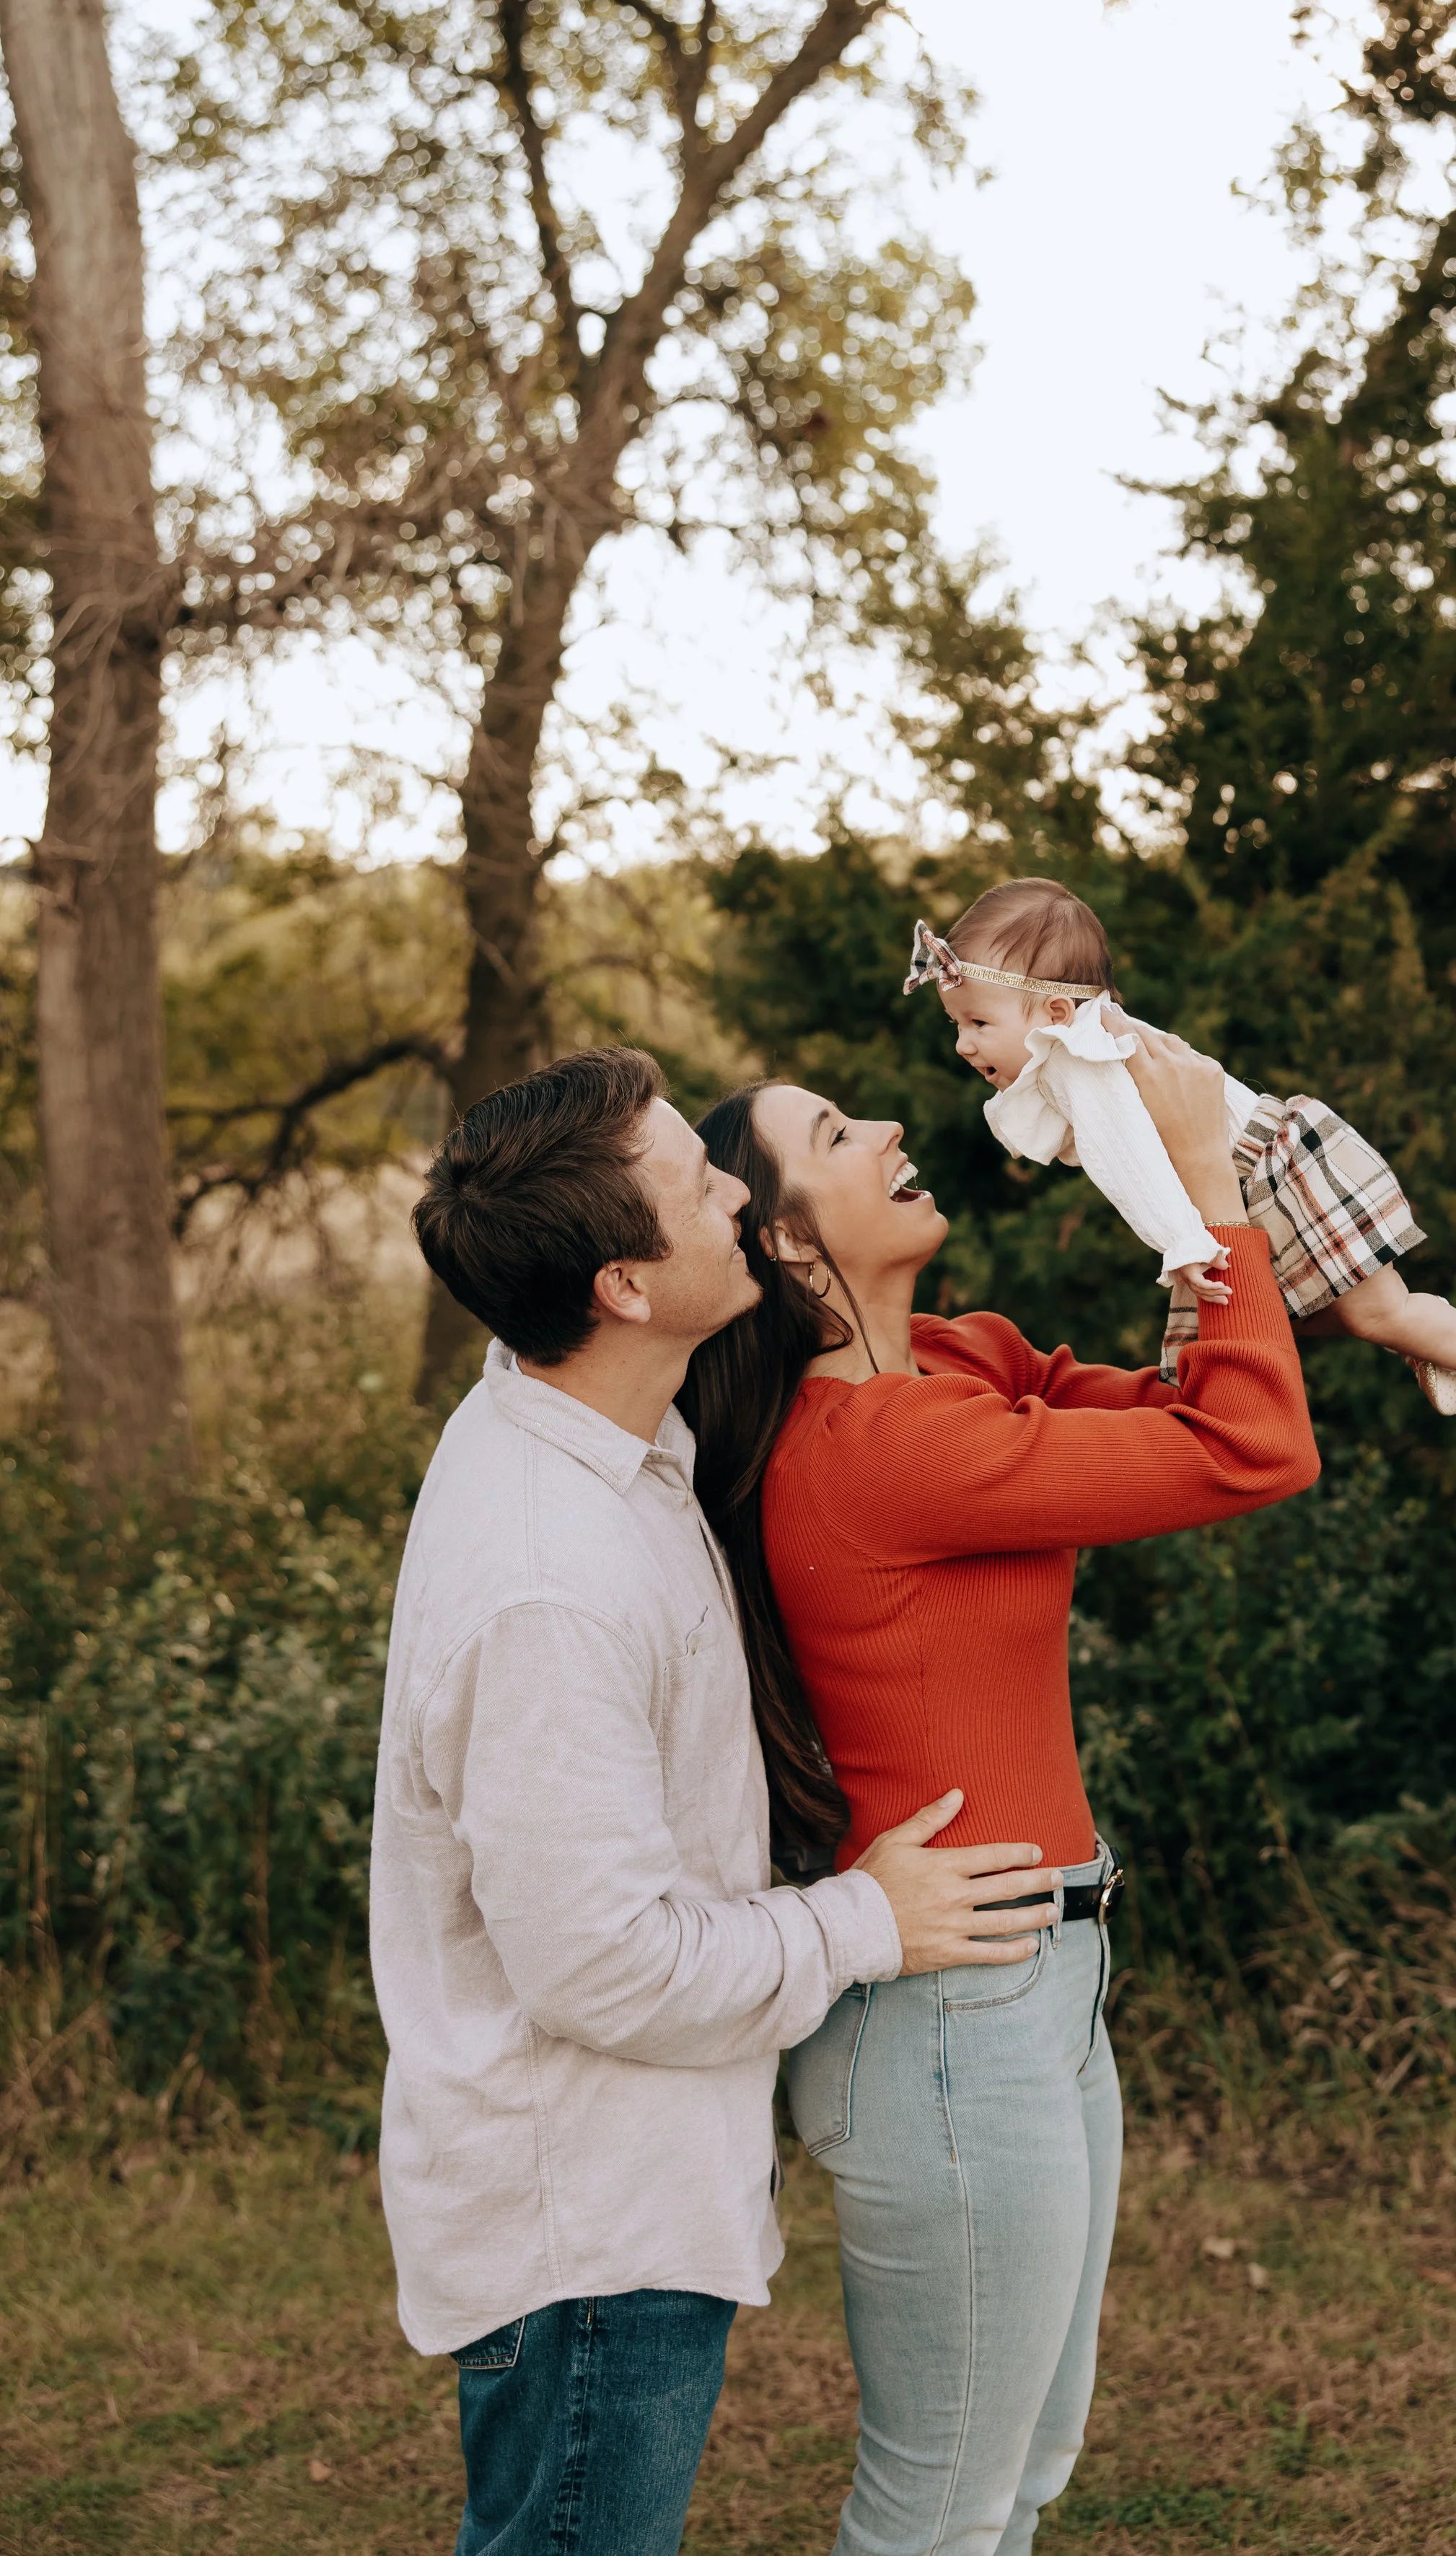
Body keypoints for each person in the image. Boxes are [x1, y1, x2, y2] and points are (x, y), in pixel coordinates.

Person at [372, 1048, 1057, 2556]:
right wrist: (866, 1920)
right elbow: (602, 1964)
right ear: (621, 1284)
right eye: (699, 1184)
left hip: (636, 2192)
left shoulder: (600, 1434)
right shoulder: (548, 1577)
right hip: (585, 2237)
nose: (740, 1195)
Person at [677, 1027, 1319, 2556]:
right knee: (937, 2512)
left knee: (1018, 2479)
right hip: (948, 2026)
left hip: (1041, 1983)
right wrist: (1207, 1190)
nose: (892, 1122)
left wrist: (1177, 1219)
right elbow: (1249, 1446)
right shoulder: (879, 1448)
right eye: (837, 1132)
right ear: (782, 1242)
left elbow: (1170, 1408)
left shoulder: (952, 1363)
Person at [905, 876, 1456, 1437]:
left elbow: (1126, 1161)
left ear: (1052, 1009)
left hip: (1268, 1174)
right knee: (1282, 1329)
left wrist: (1181, 1243)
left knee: (1371, 1312)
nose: (964, 1045)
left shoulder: (1082, 1058)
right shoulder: (1082, 1042)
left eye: (978, 1024)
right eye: (956, 1025)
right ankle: (1428, 1344)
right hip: (1243, 1188)